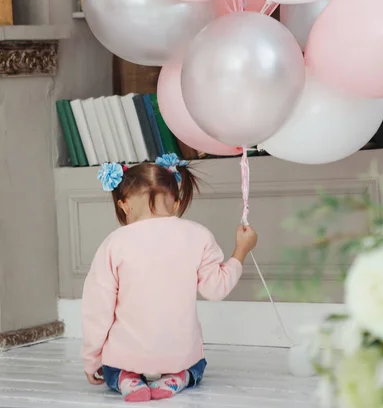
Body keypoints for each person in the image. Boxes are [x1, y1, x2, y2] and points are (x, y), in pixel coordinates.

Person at [82, 154, 258, 403]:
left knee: (110, 366)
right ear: (176, 203)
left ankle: (126, 379)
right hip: (180, 354)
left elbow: (97, 309)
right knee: (197, 364)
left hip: (126, 354)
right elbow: (215, 289)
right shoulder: (199, 236)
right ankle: (180, 377)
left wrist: (92, 361)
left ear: (123, 205)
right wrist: (241, 250)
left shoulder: (113, 244)